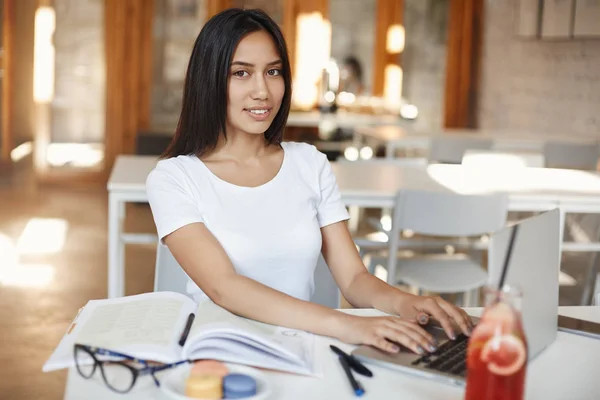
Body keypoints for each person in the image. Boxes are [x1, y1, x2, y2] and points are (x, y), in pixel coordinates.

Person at [146, 8, 472, 356]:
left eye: (273, 72)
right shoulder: (174, 178)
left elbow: (353, 279)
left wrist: (409, 304)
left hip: (304, 351)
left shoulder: (309, 163)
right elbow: (225, 288)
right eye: (241, 73)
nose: (263, 90)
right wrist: (349, 325)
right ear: (209, 81)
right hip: (221, 353)